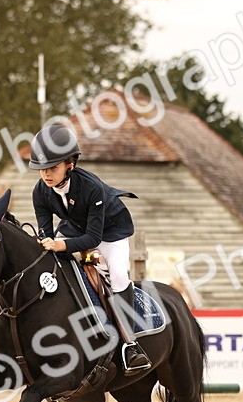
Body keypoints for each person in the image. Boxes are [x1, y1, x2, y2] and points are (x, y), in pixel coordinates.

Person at [29, 124, 151, 375]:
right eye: (42, 169)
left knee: (117, 274)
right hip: (74, 229)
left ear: (69, 165)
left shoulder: (91, 187)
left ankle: (130, 345)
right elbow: (45, 232)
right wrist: (47, 243)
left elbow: (93, 238)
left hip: (110, 231)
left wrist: (61, 245)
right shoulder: (40, 192)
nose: (46, 175)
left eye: (52, 168)